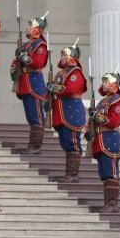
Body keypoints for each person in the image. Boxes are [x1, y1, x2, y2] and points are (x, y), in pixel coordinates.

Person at [46, 41, 87, 182]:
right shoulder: (61, 73)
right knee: (65, 142)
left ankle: (73, 174)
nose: (62, 57)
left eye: (65, 55)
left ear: (72, 57)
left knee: (72, 142)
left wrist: (54, 88)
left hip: (71, 110)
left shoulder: (75, 72)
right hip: (62, 111)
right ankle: (68, 173)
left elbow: (71, 89)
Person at [88, 71, 120, 213]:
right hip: (101, 138)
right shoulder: (103, 101)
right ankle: (108, 203)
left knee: (111, 173)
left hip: (110, 139)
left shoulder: (117, 101)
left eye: (106, 81)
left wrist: (96, 116)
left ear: (114, 84)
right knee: (105, 173)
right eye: (103, 81)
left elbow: (114, 121)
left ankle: (112, 204)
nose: (103, 84)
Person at [12, 14, 49, 154]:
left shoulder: (40, 45)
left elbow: (37, 63)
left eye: (30, 25)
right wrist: (14, 64)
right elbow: (19, 61)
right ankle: (31, 145)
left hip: (34, 81)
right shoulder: (26, 45)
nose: (27, 27)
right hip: (25, 82)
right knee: (30, 115)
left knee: (36, 116)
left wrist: (23, 57)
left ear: (37, 29)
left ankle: (36, 146)